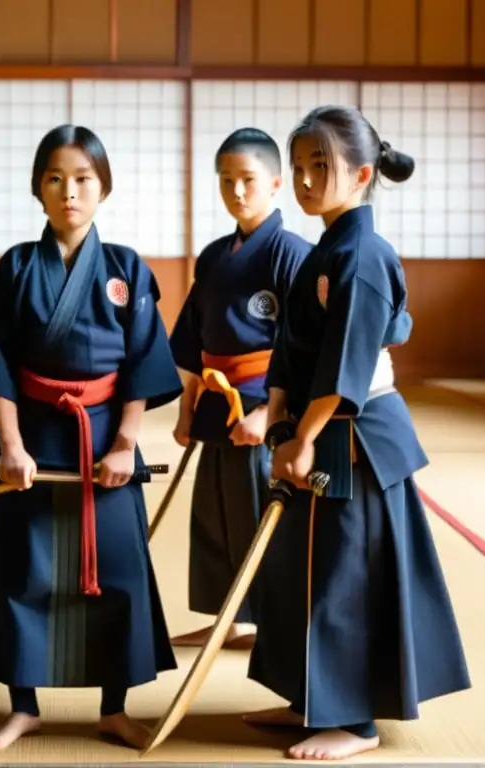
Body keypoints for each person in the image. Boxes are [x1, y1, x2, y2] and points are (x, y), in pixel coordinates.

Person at [244, 106, 471, 761]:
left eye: (323, 166)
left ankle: (356, 720)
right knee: (300, 573)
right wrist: (277, 413)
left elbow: (346, 362)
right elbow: (289, 350)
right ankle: (309, 699)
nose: (308, 179)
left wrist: (304, 437)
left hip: (356, 439)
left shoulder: (365, 255)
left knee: (347, 576)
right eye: (301, 167)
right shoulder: (325, 251)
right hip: (314, 433)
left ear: (362, 174)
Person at [0, 124, 183, 751]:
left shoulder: (125, 268)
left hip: (105, 434)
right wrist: (9, 443)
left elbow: (143, 362)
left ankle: (115, 707)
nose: (69, 191)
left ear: (103, 187)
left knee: (117, 569)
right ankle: (23, 705)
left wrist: (125, 443)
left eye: (83, 178)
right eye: (55, 179)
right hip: (34, 432)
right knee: (22, 569)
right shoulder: (16, 267)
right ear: (39, 189)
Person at [167, 128, 309, 651]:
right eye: (226, 180)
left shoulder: (292, 254)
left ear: (275, 183)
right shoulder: (212, 256)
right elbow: (193, 340)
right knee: (214, 513)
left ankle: (267, 619)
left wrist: (270, 416)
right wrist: (187, 410)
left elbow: (302, 348)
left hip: (263, 404)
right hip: (215, 400)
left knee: (257, 513)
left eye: (248, 180)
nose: (237, 191)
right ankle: (228, 616)